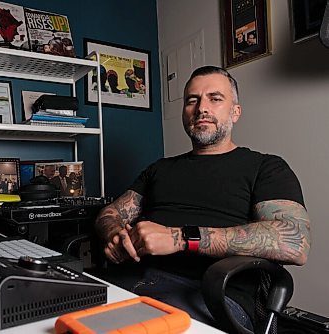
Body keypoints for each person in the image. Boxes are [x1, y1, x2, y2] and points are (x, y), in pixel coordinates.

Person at [94, 65, 311, 330]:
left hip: (208, 296)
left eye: (215, 98)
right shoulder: (159, 169)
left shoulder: (266, 167)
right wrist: (115, 235)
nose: (201, 108)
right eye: (192, 100)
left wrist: (182, 238)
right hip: (128, 282)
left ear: (236, 112)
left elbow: (295, 241)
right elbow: (110, 213)